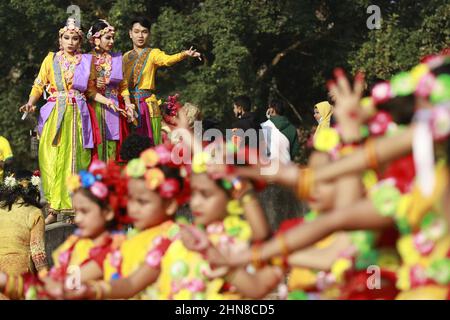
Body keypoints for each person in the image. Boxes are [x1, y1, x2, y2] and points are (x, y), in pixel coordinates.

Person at [18, 18, 106, 223]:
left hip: (77, 116)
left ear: (80, 41)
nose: (71, 42)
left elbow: (92, 91)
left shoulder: (86, 61)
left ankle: (74, 208)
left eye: (75, 38)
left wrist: (109, 102)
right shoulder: (50, 60)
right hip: (55, 113)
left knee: (76, 159)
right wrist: (31, 102)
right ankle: (52, 208)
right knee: (50, 158)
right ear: (60, 39)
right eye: (67, 37)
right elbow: (39, 85)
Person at [123, 16, 201, 145]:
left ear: (149, 34)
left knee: (148, 140)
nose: (140, 35)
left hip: (146, 104)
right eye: (136, 32)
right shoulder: (125, 57)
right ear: (130, 34)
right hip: (128, 104)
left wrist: (184, 54)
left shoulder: (153, 53)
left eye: (144, 32)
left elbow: (167, 60)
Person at [86, 19, 136, 162]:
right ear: (96, 39)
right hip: (93, 106)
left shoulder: (116, 59)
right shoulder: (85, 59)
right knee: (96, 144)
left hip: (115, 107)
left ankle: (112, 178)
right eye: (108, 38)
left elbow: (123, 86)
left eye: (113, 38)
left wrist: (128, 104)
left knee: (113, 145)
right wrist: (94, 82)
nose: (111, 41)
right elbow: (82, 87)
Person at [0, 170, 47, 299]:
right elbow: (38, 253)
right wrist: (47, 280)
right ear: (34, 190)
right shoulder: (34, 212)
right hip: (19, 277)